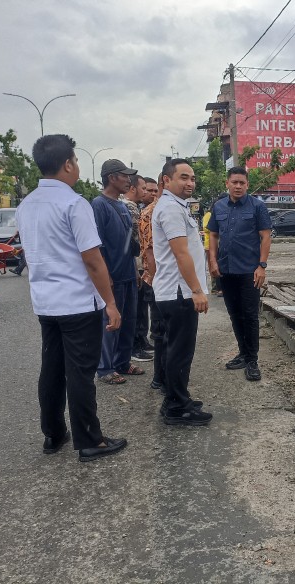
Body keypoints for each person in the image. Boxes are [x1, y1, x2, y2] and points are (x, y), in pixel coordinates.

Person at [15, 134, 127, 462]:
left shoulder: (26, 205)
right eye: (76, 160)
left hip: (46, 304)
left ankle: (53, 434)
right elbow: (92, 259)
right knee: (80, 373)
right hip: (77, 304)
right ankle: (90, 440)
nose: (77, 166)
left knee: (51, 369)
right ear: (67, 164)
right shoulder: (73, 203)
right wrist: (110, 302)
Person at [153, 158, 212, 425]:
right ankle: (177, 407)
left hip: (175, 291)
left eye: (192, 178)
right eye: (184, 177)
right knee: (180, 350)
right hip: (179, 293)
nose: (190, 183)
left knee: (173, 348)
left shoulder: (175, 206)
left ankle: (175, 398)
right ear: (167, 180)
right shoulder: (171, 209)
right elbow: (181, 253)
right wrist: (197, 291)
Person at [207, 166, 271, 382]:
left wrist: (261, 266)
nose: (238, 186)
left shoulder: (257, 207)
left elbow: (265, 237)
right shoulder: (219, 206)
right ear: (227, 183)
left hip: (249, 271)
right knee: (235, 314)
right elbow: (213, 235)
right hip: (226, 270)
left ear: (247, 185)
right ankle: (243, 353)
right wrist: (212, 261)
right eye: (234, 182)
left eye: (242, 183)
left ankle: (252, 360)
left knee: (250, 316)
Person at [91, 159, 143, 385]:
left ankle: (122, 361)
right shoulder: (99, 205)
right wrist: (106, 275)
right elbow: (97, 244)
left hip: (129, 273)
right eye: (125, 175)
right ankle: (105, 368)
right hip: (112, 276)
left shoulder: (122, 206)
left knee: (129, 321)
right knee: (112, 321)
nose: (128, 180)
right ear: (112, 177)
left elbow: (129, 243)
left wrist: (136, 271)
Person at [138, 174, 166, 391]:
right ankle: (160, 377)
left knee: (168, 331)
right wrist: (158, 282)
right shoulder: (150, 213)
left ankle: (166, 375)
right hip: (157, 281)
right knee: (160, 331)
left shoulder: (173, 209)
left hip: (169, 281)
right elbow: (149, 252)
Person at [123, 174, 153, 362]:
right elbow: (134, 243)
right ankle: (135, 345)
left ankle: (140, 341)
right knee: (136, 307)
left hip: (139, 265)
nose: (146, 192)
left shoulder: (136, 208)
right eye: (144, 188)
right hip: (136, 265)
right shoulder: (129, 208)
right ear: (133, 188)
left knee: (142, 307)